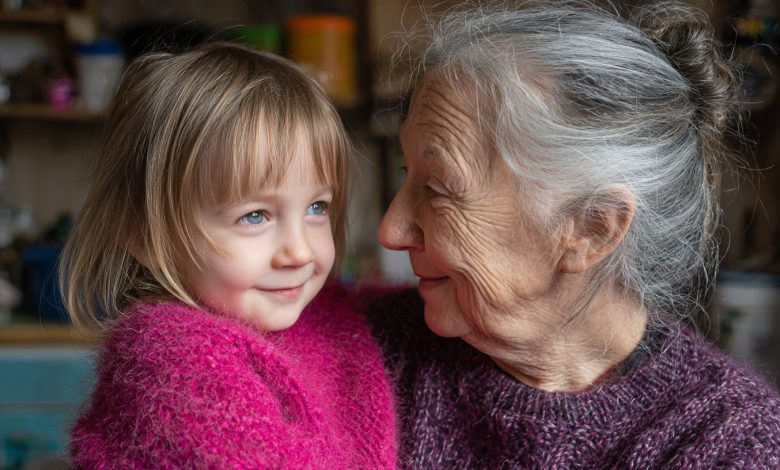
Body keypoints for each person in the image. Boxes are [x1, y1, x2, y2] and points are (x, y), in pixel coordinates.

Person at [361, 1, 780, 468]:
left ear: (592, 228)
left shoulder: (731, 445)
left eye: (438, 189)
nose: (391, 230)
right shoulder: (355, 352)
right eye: (406, 172)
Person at [60, 42, 397, 468]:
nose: (300, 251)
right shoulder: (173, 362)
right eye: (255, 216)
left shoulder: (315, 313)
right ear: (146, 238)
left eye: (317, 208)